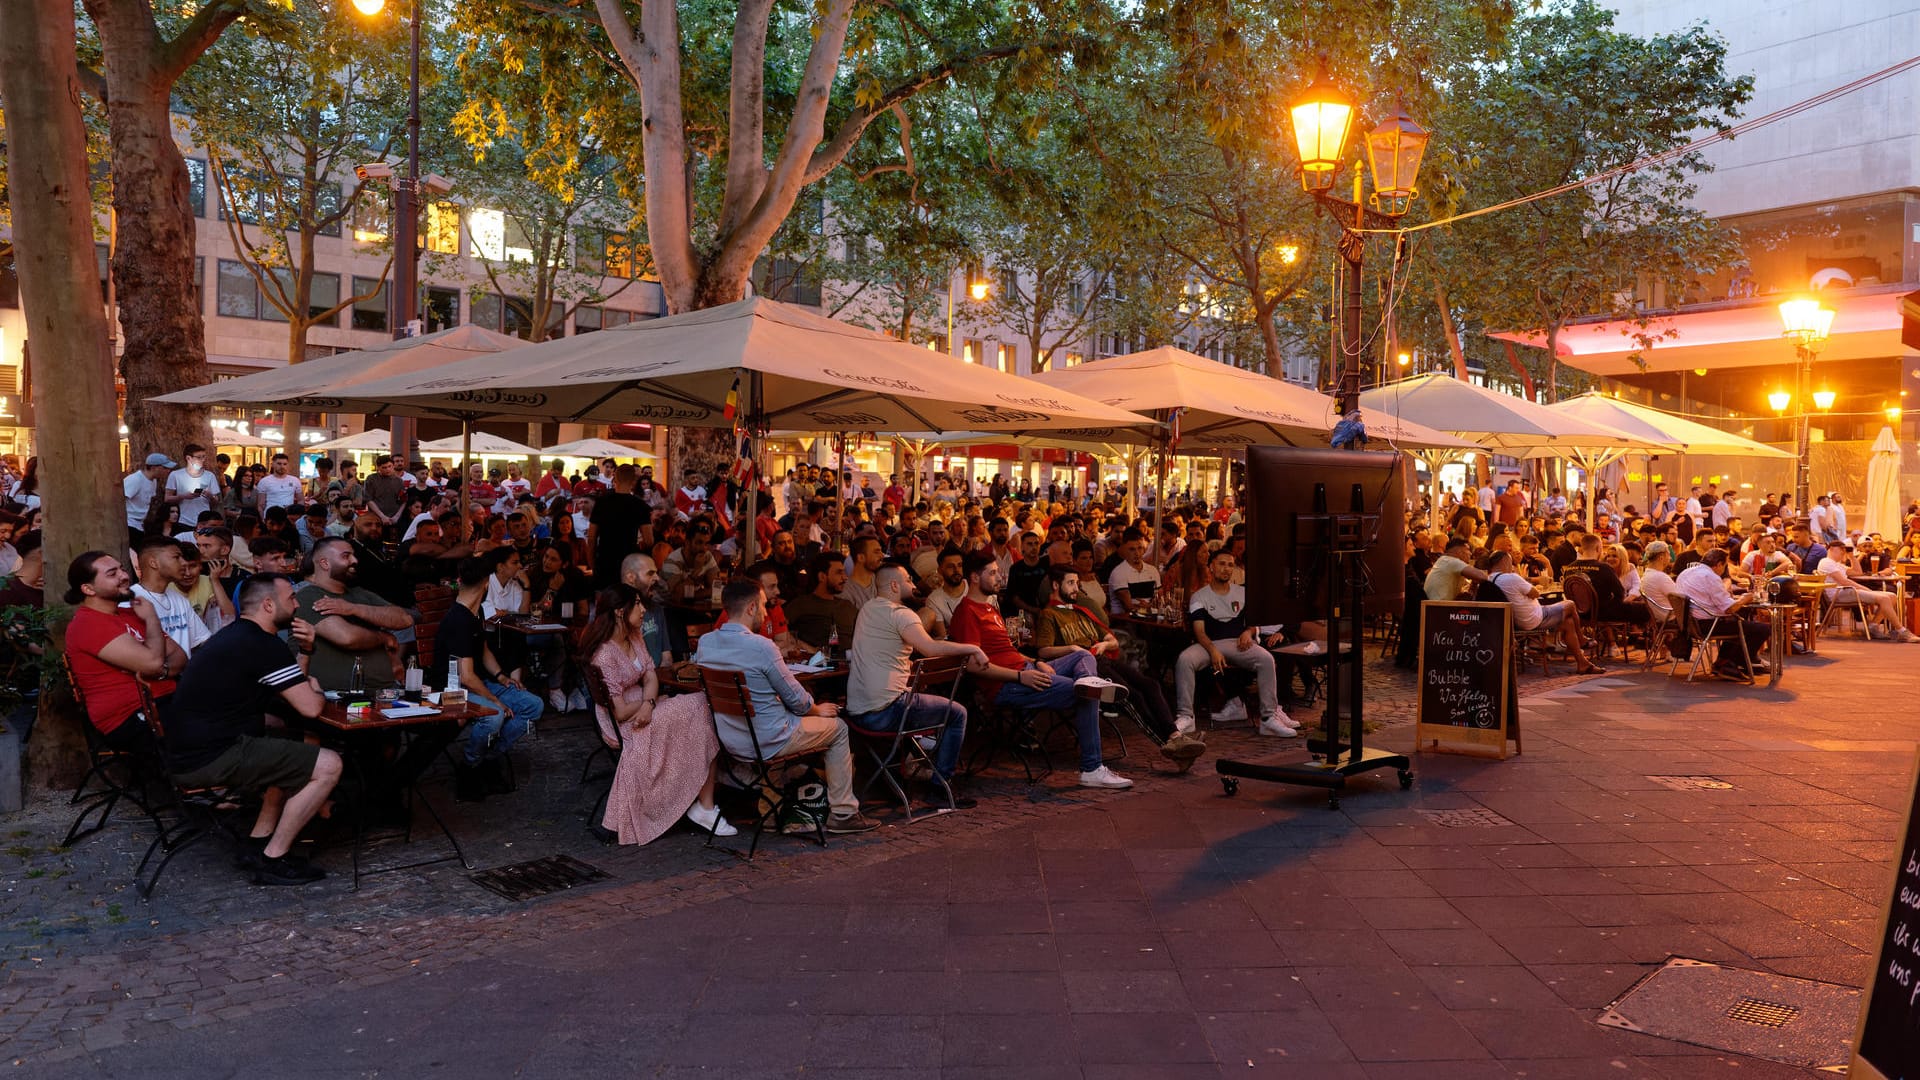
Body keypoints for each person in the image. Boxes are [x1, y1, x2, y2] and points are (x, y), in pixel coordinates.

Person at [161, 574, 340, 886]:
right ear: (269, 605)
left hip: (189, 753)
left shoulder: (239, 636)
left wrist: (306, 653)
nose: (297, 606)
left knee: (289, 752)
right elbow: (310, 707)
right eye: (291, 600)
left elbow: (289, 685)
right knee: (328, 764)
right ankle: (274, 858)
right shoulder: (261, 644)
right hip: (210, 758)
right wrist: (317, 689)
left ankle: (257, 844)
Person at [694, 578, 878, 834]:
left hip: (731, 739)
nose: (766, 612)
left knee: (778, 719)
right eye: (762, 606)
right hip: (767, 740)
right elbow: (798, 700)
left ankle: (771, 812)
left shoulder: (706, 642)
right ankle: (844, 813)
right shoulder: (762, 646)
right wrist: (817, 710)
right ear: (750, 608)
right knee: (838, 728)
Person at [947, 553, 1133, 789]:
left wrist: (1035, 663)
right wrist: (1020, 675)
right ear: (974, 577)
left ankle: (1089, 682)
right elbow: (972, 665)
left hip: (1026, 669)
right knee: (1086, 695)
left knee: (1083, 655)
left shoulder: (990, 607)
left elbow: (1008, 652)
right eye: (992, 573)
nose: (999, 577)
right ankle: (1091, 768)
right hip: (1008, 684)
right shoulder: (967, 612)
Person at [580, 584, 735, 844]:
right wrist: (645, 705)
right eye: (637, 604)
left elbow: (650, 675)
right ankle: (701, 804)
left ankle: (701, 802)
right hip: (621, 720)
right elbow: (618, 712)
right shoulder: (605, 654)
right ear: (620, 612)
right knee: (701, 705)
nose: (643, 610)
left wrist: (648, 703)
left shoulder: (633, 635)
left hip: (643, 705)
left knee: (700, 707)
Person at [844, 564, 986, 803]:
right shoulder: (901, 614)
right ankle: (940, 789)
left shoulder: (867, 609)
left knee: (917, 703)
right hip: (886, 712)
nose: (913, 583)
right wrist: (973, 647)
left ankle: (904, 774)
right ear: (893, 585)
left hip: (858, 712)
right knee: (958, 714)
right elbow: (930, 648)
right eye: (908, 579)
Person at [1036, 566, 1203, 766]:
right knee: (1132, 695)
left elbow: (1112, 640)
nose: (1076, 589)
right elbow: (1043, 651)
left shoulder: (1080, 611)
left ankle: (1176, 737)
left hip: (1102, 659)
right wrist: (1073, 649)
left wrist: (1104, 644)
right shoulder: (1049, 614)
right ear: (1056, 585)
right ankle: (1174, 747)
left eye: (1077, 584)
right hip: (1083, 668)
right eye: (1070, 583)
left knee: (1150, 685)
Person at [437, 558, 543, 799]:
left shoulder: (477, 612)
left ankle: (489, 757)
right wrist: (496, 701)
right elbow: (466, 676)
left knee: (533, 705)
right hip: (453, 691)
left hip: (478, 684)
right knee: (493, 716)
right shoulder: (458, 619)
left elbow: (483, 650)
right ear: (486, 583)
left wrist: (502, 677)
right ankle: (470, 765)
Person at [63, 551, 183, 749]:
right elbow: (153, 662)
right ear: (88, 589)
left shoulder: (130, 613)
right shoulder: (88, 623)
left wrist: (161, 672)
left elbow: (180, 656)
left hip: (166, 701)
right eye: (112, 574)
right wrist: (152, 618)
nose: (125, 576)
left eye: (122, 569)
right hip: (130, 716)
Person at [1174, 549, 1291, 737]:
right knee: (1184, 660)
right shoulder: (1199, 596)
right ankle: (1186, 716)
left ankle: (1268, 719)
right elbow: (1199, 632)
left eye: (1230, 565)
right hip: (1209, 644)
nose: (1226, 569)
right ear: (1211, 567)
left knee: (1267, 659)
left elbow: (1254, 623)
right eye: (1221, 564)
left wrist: (1249, 631)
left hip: (1238, 644)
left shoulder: (1243, 593)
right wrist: (1212, 651)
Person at [295, 538, 411, 691]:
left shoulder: (360, 595)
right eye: (346, 556)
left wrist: (354, 608)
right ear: (324, 563)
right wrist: (383, 638)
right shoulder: (308, 596)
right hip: (339, 698)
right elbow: (347, 637)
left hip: (386, 692)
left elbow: (405, 619)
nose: (355, 560)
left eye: (354, 555)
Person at [1485, 549, 1606, 675]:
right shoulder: (1511, 578)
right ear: (1505, 561)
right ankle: (1581, 639)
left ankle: (1582, 664)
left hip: (1516, 621)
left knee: (1569, 623)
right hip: (1533, 618)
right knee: (1570, 604)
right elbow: (1535, 593)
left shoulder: (1489, 579)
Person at [1674, 548, 1770, 679]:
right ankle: (1733, 662)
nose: (1723, 570)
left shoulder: (1686, 572)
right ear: (1719, 564)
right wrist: (1744, 599)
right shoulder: (1710, 577)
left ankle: (1725, 661)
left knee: (1739, 621)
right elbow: (1729, 608)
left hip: (1689, 623)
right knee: (1762, 629)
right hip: (1706, 625)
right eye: (1724, 566)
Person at [129, 533, 212, 657]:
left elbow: (202, 641)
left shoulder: (179, 600)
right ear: (154, 563)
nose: (183, 563)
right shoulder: (130, 601)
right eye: (176, 557)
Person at [1817, 545, 1918, 641]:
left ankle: (1873, 626)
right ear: (1831, 549)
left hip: (1848, 591)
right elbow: (1844, 581)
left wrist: (1852, 557)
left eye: (1844, 549)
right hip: (1839, 594)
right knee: (1884, 598)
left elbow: (1858, 572)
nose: (1843, 551)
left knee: (1892, 596)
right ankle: (1902, 631)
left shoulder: (1837, 564)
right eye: (1840, 549)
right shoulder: (1826, 562)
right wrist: (1866, 589)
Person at [784, 551, 859, 651]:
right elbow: (779, 632)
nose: (845, 577)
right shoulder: (801, 604)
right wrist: (805, 646)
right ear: (822, 576)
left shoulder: (848, 606)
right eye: (839, 572)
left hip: (851, 661)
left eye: (844, 572)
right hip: (817, 662)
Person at [589, 464, 649, 587]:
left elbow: (591, 538)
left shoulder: (601, 502)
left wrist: (593, 564)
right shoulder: (640, 505)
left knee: (604, 602)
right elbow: (649, 540)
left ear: (614, 479)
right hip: (629, 562)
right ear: (634, 481)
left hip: (605, 561)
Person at [124, 452, 176, 540]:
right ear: (153, 468)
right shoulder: (135, 480)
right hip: (129, 523)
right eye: (165, 468)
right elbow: (120, 499)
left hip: (139, 524)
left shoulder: (153, 481)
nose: (168, 471)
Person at [1106, 533, 1161, 615]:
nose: (1137, 553)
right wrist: (1150, 607)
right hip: (1124, 622)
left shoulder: (1152, 570)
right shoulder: (1119, 573)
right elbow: (1128, 606)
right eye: (1132, 549)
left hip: (1149, 619)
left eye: (1140, 548)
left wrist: (1150, 606)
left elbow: (1160, 599)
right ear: (1124, 550)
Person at [165, 445, 221, 525]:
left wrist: (210, 496)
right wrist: (183, 496)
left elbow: (216, 502)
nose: (203, 460)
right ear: (188, 458)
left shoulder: (210, 476)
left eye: (204, 457)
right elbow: (167, 498)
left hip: (204, 521)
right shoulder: (175, 475)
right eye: (199, 457)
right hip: (183, 520)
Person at [1423, 538, 1489, 601]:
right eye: (1468, 550)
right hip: (1438, 608)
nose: (1470, 553)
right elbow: (1482, 577)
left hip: (1434, 606)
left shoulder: (1444, 560)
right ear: (1459, 551)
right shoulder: (1451, 561)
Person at [843, 536, 884, 610]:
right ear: (861, 558)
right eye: (876, 552)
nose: (882, 555)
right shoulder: (846, 591)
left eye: (881, 551)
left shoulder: (882, 580)